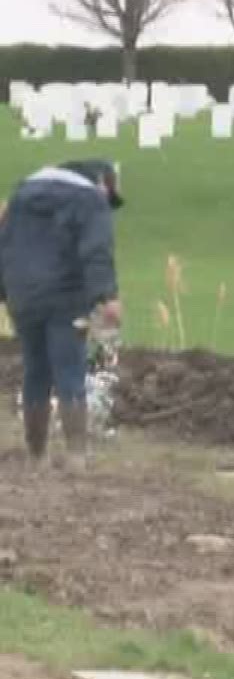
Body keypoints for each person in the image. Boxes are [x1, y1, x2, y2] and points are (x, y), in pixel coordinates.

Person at [0, 159, 124, 467]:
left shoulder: (22, 194)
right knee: (69, 368)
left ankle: (36, 455)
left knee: (35, 368)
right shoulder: (90, 199)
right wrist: (106, 297)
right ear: (103, 183)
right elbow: (97, 250)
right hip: (66, 295)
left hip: (22, 295)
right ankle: (76, 457)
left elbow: (4, 244)